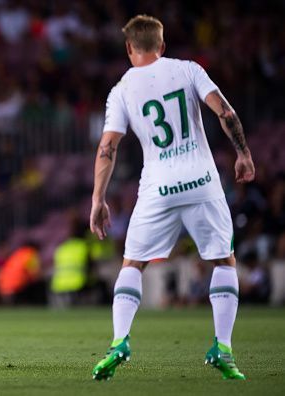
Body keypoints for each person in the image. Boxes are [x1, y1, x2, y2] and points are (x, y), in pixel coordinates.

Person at [89, 15, 255, 381]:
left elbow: (108, 147)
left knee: (133, 265)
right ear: (162, 46)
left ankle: (120, 342)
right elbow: (225, 111)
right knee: (224, 261)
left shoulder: (122, 89)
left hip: (158, 187)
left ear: (130, 48)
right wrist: (243, 153)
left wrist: (98, 199)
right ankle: (223, 348)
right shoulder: (189, 70)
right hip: (202, 181)